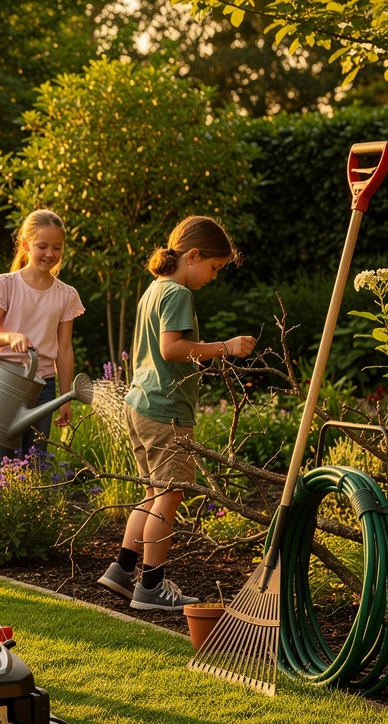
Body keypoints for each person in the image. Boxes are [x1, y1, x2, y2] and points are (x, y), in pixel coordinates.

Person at [98, 216, 255, 611]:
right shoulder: (179, 294)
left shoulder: (154, 289)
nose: (214, 276)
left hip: (140, 404)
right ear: (193, 255)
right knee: (170, 495)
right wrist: (225, 346)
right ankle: (150, 587)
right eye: (214, 267)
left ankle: (122, 570)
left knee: (152, 494)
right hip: (165, 411)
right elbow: (171, 349)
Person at [0, 209, 84, 468]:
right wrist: (10, 337)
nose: (50, 253)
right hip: (5, 380)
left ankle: (33, 509)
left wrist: (66, 396)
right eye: (42, 246)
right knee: (3, 464)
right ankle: (4, 508)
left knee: (37, 461)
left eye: (57, 247)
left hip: (43, 385)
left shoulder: (66, 294)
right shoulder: (6, 284)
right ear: (25, 245)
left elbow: (65, 350)